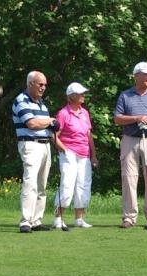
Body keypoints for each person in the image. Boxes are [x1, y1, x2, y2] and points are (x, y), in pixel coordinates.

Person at [114, 62, 147, 229]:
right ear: (136, 75)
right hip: (130, 139)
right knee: (129, 178)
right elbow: (117, 119)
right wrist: (137, 118)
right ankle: (129, 217)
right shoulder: (125, 95)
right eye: (146, 74)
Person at [12, 71, 59, 233]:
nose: (43, 87)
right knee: (30, 182)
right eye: (40, 84)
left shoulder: (41, 104)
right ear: (30, 83)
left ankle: (36, 221)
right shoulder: (21, 100)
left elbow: (44, 125)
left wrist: (48, 123)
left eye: (45, 84)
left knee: (41, 185)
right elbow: (31, 123)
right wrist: (51, 121)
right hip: (30, 145)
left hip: (45, 145)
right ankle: (25, 221)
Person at [52, 82, 98, 229]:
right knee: (67, 185)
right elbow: (54, 136)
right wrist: (64, 150)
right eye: (81, 93)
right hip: (69, 153)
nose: (84, 95)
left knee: (83, 186)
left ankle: (79, 218)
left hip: (84, 155)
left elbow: (88, 135)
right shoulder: (63, 114)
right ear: (71, 96)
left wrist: (94, 156)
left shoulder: (85, 113)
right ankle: (58, 218)